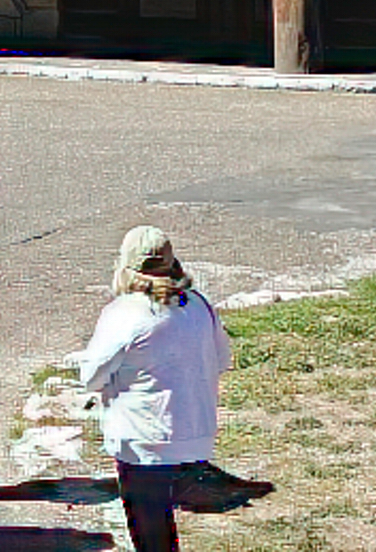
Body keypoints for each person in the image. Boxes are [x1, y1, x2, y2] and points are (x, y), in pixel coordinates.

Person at [79, 227, 234, 552]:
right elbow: (222, 359)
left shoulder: (125, 312)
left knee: (151, 535)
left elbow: (90, 377)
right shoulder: (199, 304)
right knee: (162, 530)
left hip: (144, 442)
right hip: (197, 438)